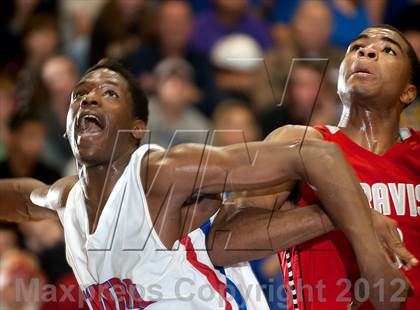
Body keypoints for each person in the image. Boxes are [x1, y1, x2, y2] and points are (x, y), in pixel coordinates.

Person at [0, 59, 408, 309]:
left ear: (138, 129)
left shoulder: (164, 172)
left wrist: (371, 262)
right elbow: (19, 198)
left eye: (108, 93)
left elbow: (315, 153)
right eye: (80, 93)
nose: (88, 99)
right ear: (67, 129)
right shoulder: (65, 198)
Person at [208, 24, 420, 309]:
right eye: (357, 48)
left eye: (387, 50)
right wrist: (345, 213)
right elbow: (223, 245)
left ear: (408, 93)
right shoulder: (300, 143)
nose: (367, 51)